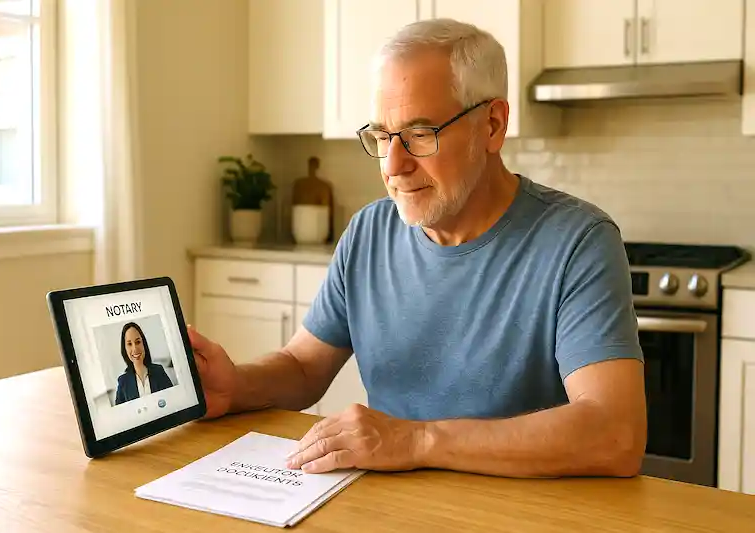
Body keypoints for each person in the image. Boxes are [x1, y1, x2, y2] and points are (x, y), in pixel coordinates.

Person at [188, 17, 647, 479]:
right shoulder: (368, 232)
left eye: (420, 134)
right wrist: (238, 386)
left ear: (492, 125)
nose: (393, 165)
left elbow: (615, 433)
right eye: (383, 136)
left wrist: (417, 440)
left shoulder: (578, 241)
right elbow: (303, 367)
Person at [115, 322, 174, 405]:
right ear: (125, 349)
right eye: (129, 344)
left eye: (138, 342)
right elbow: (119, 414)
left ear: (144, 344)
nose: (135, 348)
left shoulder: (159, 371)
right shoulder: (123, 381)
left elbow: (173, 400)